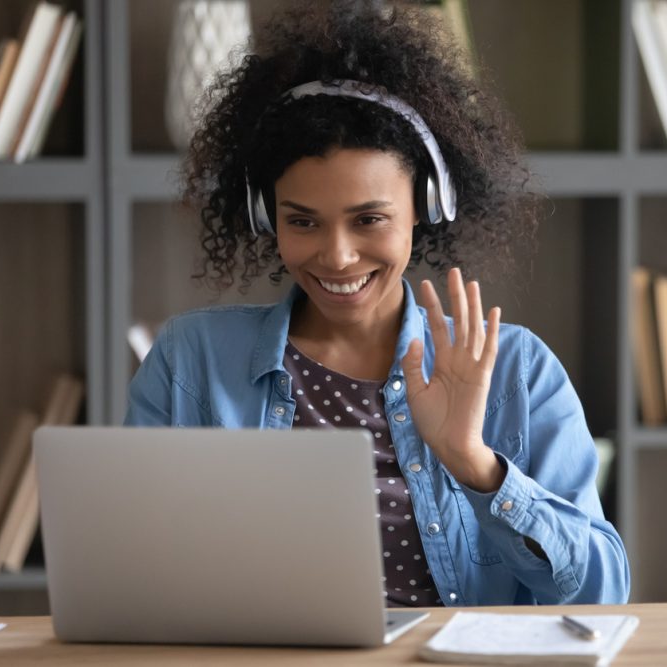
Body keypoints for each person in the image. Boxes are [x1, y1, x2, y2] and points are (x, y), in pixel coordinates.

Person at [126, 0, 629, 607]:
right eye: (302, 221)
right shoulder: (190, 363)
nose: (337, 256)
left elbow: (602, 592)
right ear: (265, 215)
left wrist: (475, 464)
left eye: (369, 219)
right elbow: (132, 569)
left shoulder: (519, 372)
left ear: (426, 205)